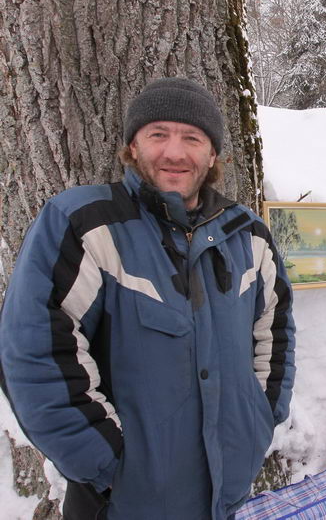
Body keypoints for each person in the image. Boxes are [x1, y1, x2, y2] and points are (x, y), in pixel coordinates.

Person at [0, 77, 296, 519]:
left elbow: (277, 333)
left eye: (192, 138)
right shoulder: (85, 224)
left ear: (212, 154)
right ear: (133, 147)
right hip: (123, 501)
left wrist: (258, 421)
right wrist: (106, 466)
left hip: (223, 493)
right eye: (158, 134)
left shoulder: (247, 234)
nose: (174, 152)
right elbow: (34, 350)